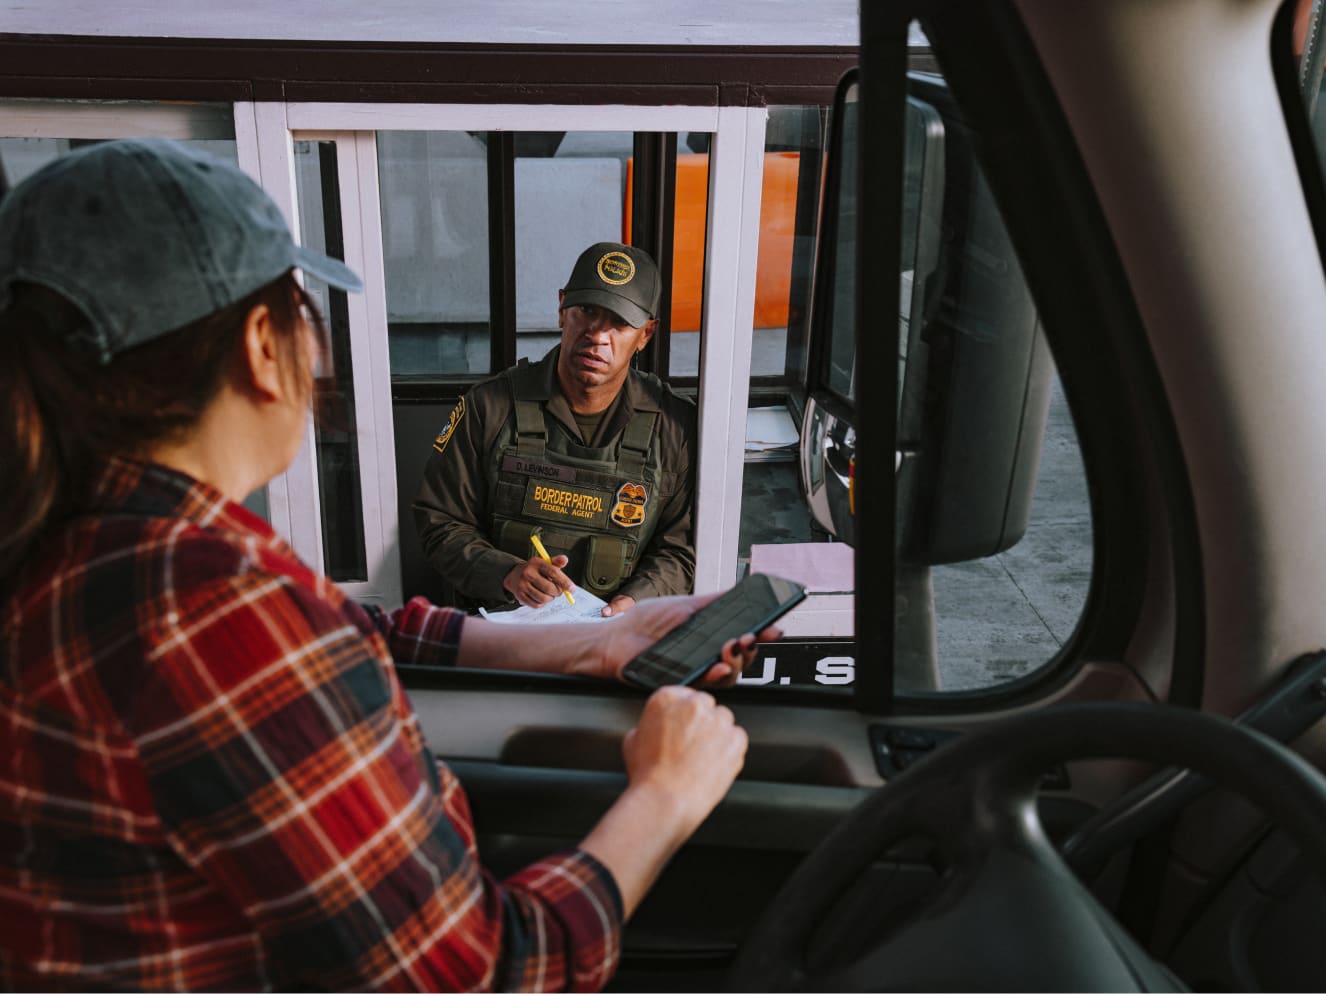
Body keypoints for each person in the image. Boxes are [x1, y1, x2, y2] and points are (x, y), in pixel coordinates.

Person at [0, 139, 771, 992]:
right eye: (305, 313)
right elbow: (488, 973)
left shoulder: (86, 545)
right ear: (264, 345)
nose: (596, 333)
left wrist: (595, 639)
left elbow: (349, 628)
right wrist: (668, 793)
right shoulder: (208, 611)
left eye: (618, 320)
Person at [414, 241, 696, 617]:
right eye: (587, 312)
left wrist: (636, 602)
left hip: (613, 639)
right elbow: (441, 521)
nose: (597, 334)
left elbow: (681, 548)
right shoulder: (491, 407)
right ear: (562, 308)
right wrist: (507, 573)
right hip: (503, 637)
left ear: (646, 334)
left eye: (619, 323)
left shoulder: (675, 427)